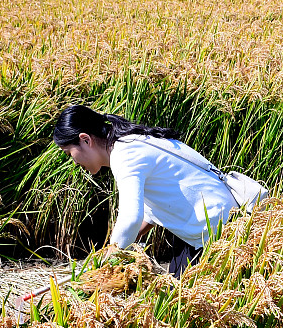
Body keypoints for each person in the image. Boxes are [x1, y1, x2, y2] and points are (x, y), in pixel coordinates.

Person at [52, 104, 236, 277]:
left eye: (69, 153)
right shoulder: (132, 142)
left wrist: (108, 260)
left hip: (217, 230)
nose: (74, 162)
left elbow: (130, 218)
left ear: (85, 140)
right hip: (202, 229)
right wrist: (109, 251)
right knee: (173, 293)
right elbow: (155, 201)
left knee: (179, 302)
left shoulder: (125, 156)